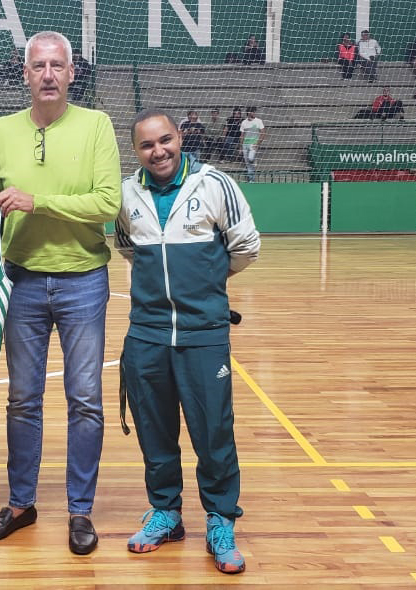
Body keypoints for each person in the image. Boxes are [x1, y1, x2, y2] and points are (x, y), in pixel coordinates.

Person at [0, 30, 120, 556]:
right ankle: (21, 503)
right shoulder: (0, 129)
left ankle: (80, 512)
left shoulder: (97, 125)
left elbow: (107, 203)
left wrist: (37, 201)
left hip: (84, 278)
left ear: (71, 72)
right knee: (22, 399)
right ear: (24, 73)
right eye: (38, 66)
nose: (48, 74)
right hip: (18, 280)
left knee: (85, 401)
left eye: (57, 65)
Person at [115, 108, 259, 575]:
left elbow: (247, 245)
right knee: (155, 432)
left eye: (165, 140)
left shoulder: (215, 184)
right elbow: (125, 247)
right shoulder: (126, 193)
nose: (158, 151)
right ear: (136, 150)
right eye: (147, 145)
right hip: (147, 333)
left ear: (180, 138)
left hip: (204, 334)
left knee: (213, 433)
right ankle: (166, 514)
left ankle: (220, 519)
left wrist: (204, 283)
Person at [239, 107, 265, 182]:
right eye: (252, 112)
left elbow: (263, 133)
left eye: (254, 112)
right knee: (247, 164)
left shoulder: (259, 121)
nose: (253, 113)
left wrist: (257, 144)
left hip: (253, 144)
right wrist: (240, 147)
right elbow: (242, 135)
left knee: (250, 159)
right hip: (245, 144)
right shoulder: (244, 122)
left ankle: (254, 160)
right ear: (248, 113)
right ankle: (251, 179)